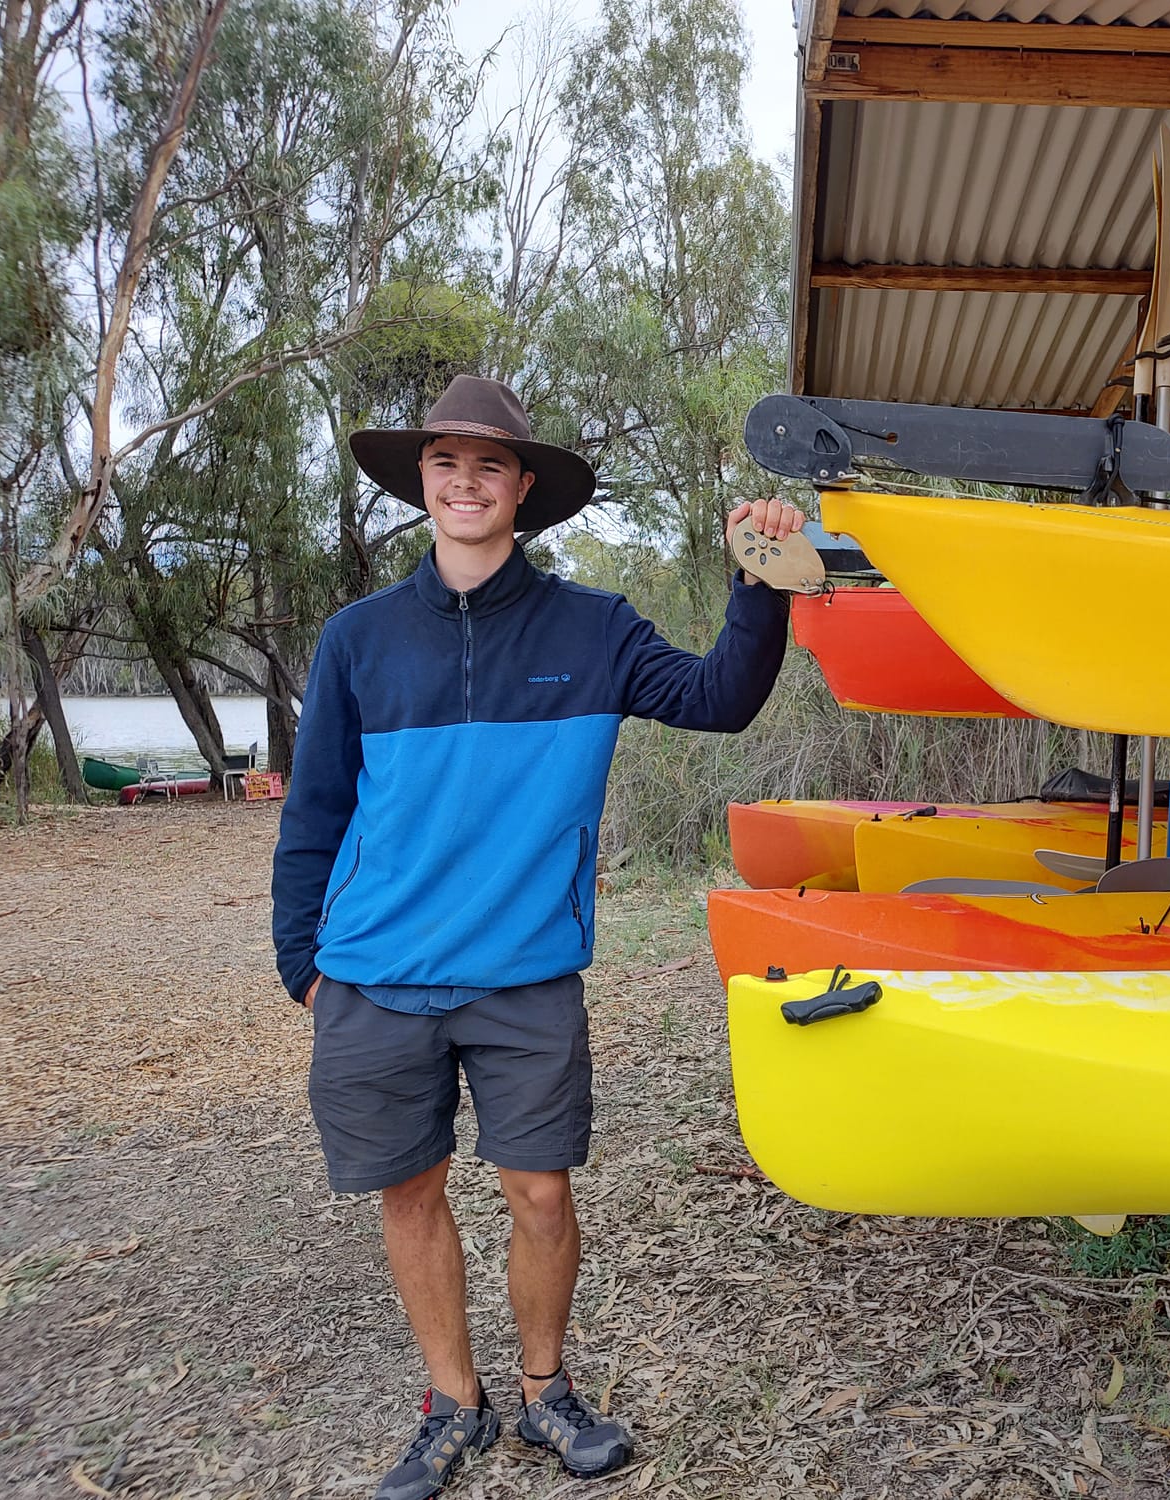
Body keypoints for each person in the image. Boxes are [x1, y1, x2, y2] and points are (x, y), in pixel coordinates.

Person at [271, 375, 800, 1499]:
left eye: (489, 466)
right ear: (423, 484)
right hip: (373, 976)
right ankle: (450, 1402)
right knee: (409, 1193)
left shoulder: (591, 628)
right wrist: (302, 966)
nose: (466, 484)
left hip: (523, 977)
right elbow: (314, 809)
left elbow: (720, 697)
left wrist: (759, 579)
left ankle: (545, 1394)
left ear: (523, 490)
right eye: (445, 464)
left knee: (542, 1195)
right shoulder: (358, 640)